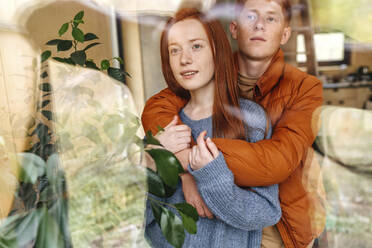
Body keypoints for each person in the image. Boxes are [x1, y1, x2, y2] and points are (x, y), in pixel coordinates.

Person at [141, 0, 325, 248]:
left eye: (270, 18)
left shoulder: (302, 89)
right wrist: (157, 160)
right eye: (251, 17)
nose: (259, 25)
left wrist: (190, 162)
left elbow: (278, 162)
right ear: (234, 29)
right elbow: (158, 104)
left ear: (285, 34)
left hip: (279, 224)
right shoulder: (192, 84)